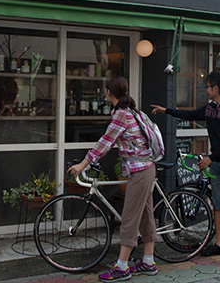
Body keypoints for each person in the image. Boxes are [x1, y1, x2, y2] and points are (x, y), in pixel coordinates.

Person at [151, 70, 220, 262]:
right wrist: (166, 110)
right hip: (216, 164)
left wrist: (210, 157)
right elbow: (190, 114)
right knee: (218, 204)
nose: (205, 90)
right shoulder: (210, 108)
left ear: (215, 88)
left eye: (207, 86)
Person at [65, 77, 158, 282]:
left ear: (109, 93)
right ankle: (149, 261)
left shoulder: (122, 115)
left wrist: (83, 164)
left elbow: (105, 143)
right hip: (145, 168)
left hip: (140, 171)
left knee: (130, 218)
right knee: (144, 216)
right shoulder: (132, 111)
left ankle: (122, 267)